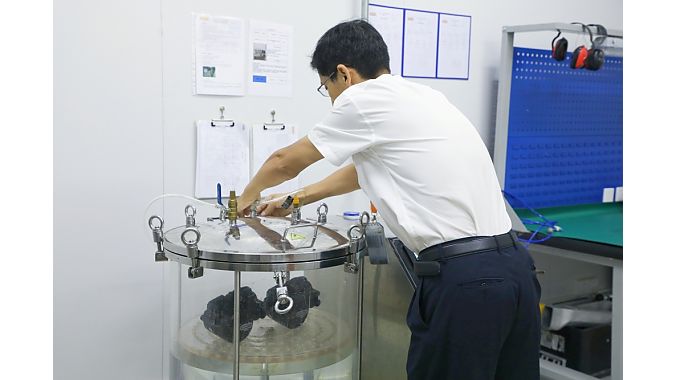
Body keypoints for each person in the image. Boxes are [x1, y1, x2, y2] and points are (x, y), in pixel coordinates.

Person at [237, 20, 541, 380]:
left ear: (343, 74)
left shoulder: (360, 100)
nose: (331, 97)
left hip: (467, 283)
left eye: (325, 87)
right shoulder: (424, 97)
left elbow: (283, 162)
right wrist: (297, 197)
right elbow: (363, 168)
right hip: (516, 269)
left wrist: (242, 202)